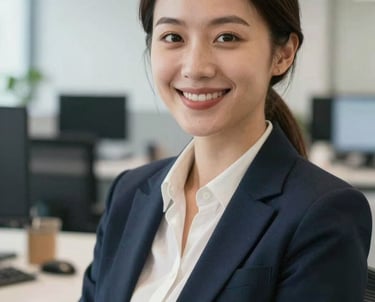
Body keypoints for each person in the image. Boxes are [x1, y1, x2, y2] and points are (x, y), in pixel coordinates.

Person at [80, 0, 372, 301]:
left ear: (283, 54)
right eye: (173, 37)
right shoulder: (128, 194)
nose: (195, 68)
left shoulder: (324, 214)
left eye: (227, 37)